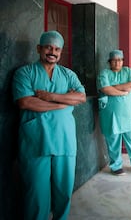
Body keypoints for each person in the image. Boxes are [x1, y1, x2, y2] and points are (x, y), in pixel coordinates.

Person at [12, 30, 86, 219]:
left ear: (61, 52)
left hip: (64, 140)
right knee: (36, 195)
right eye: (48, 47)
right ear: (39, 48)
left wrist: (52, 96)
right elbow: (26, 102)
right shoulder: (25, 73)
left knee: (64, 192)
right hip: (36, 141)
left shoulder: (68, 74)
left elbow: (81, 97)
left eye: (57, 49)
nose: (52, 52)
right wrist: (64, 103)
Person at [97, 49, 131, 176]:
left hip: (127, 113)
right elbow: (105, 89)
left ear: (122, 61)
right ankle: (116, 166)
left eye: (119, 60)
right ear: (109, 62)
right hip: (111, 114)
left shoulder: (128, 71)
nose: (117, 63)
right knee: (113, 140)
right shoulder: (104, 73)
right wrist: (122, 91)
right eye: (114, 60)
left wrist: (114, 87)